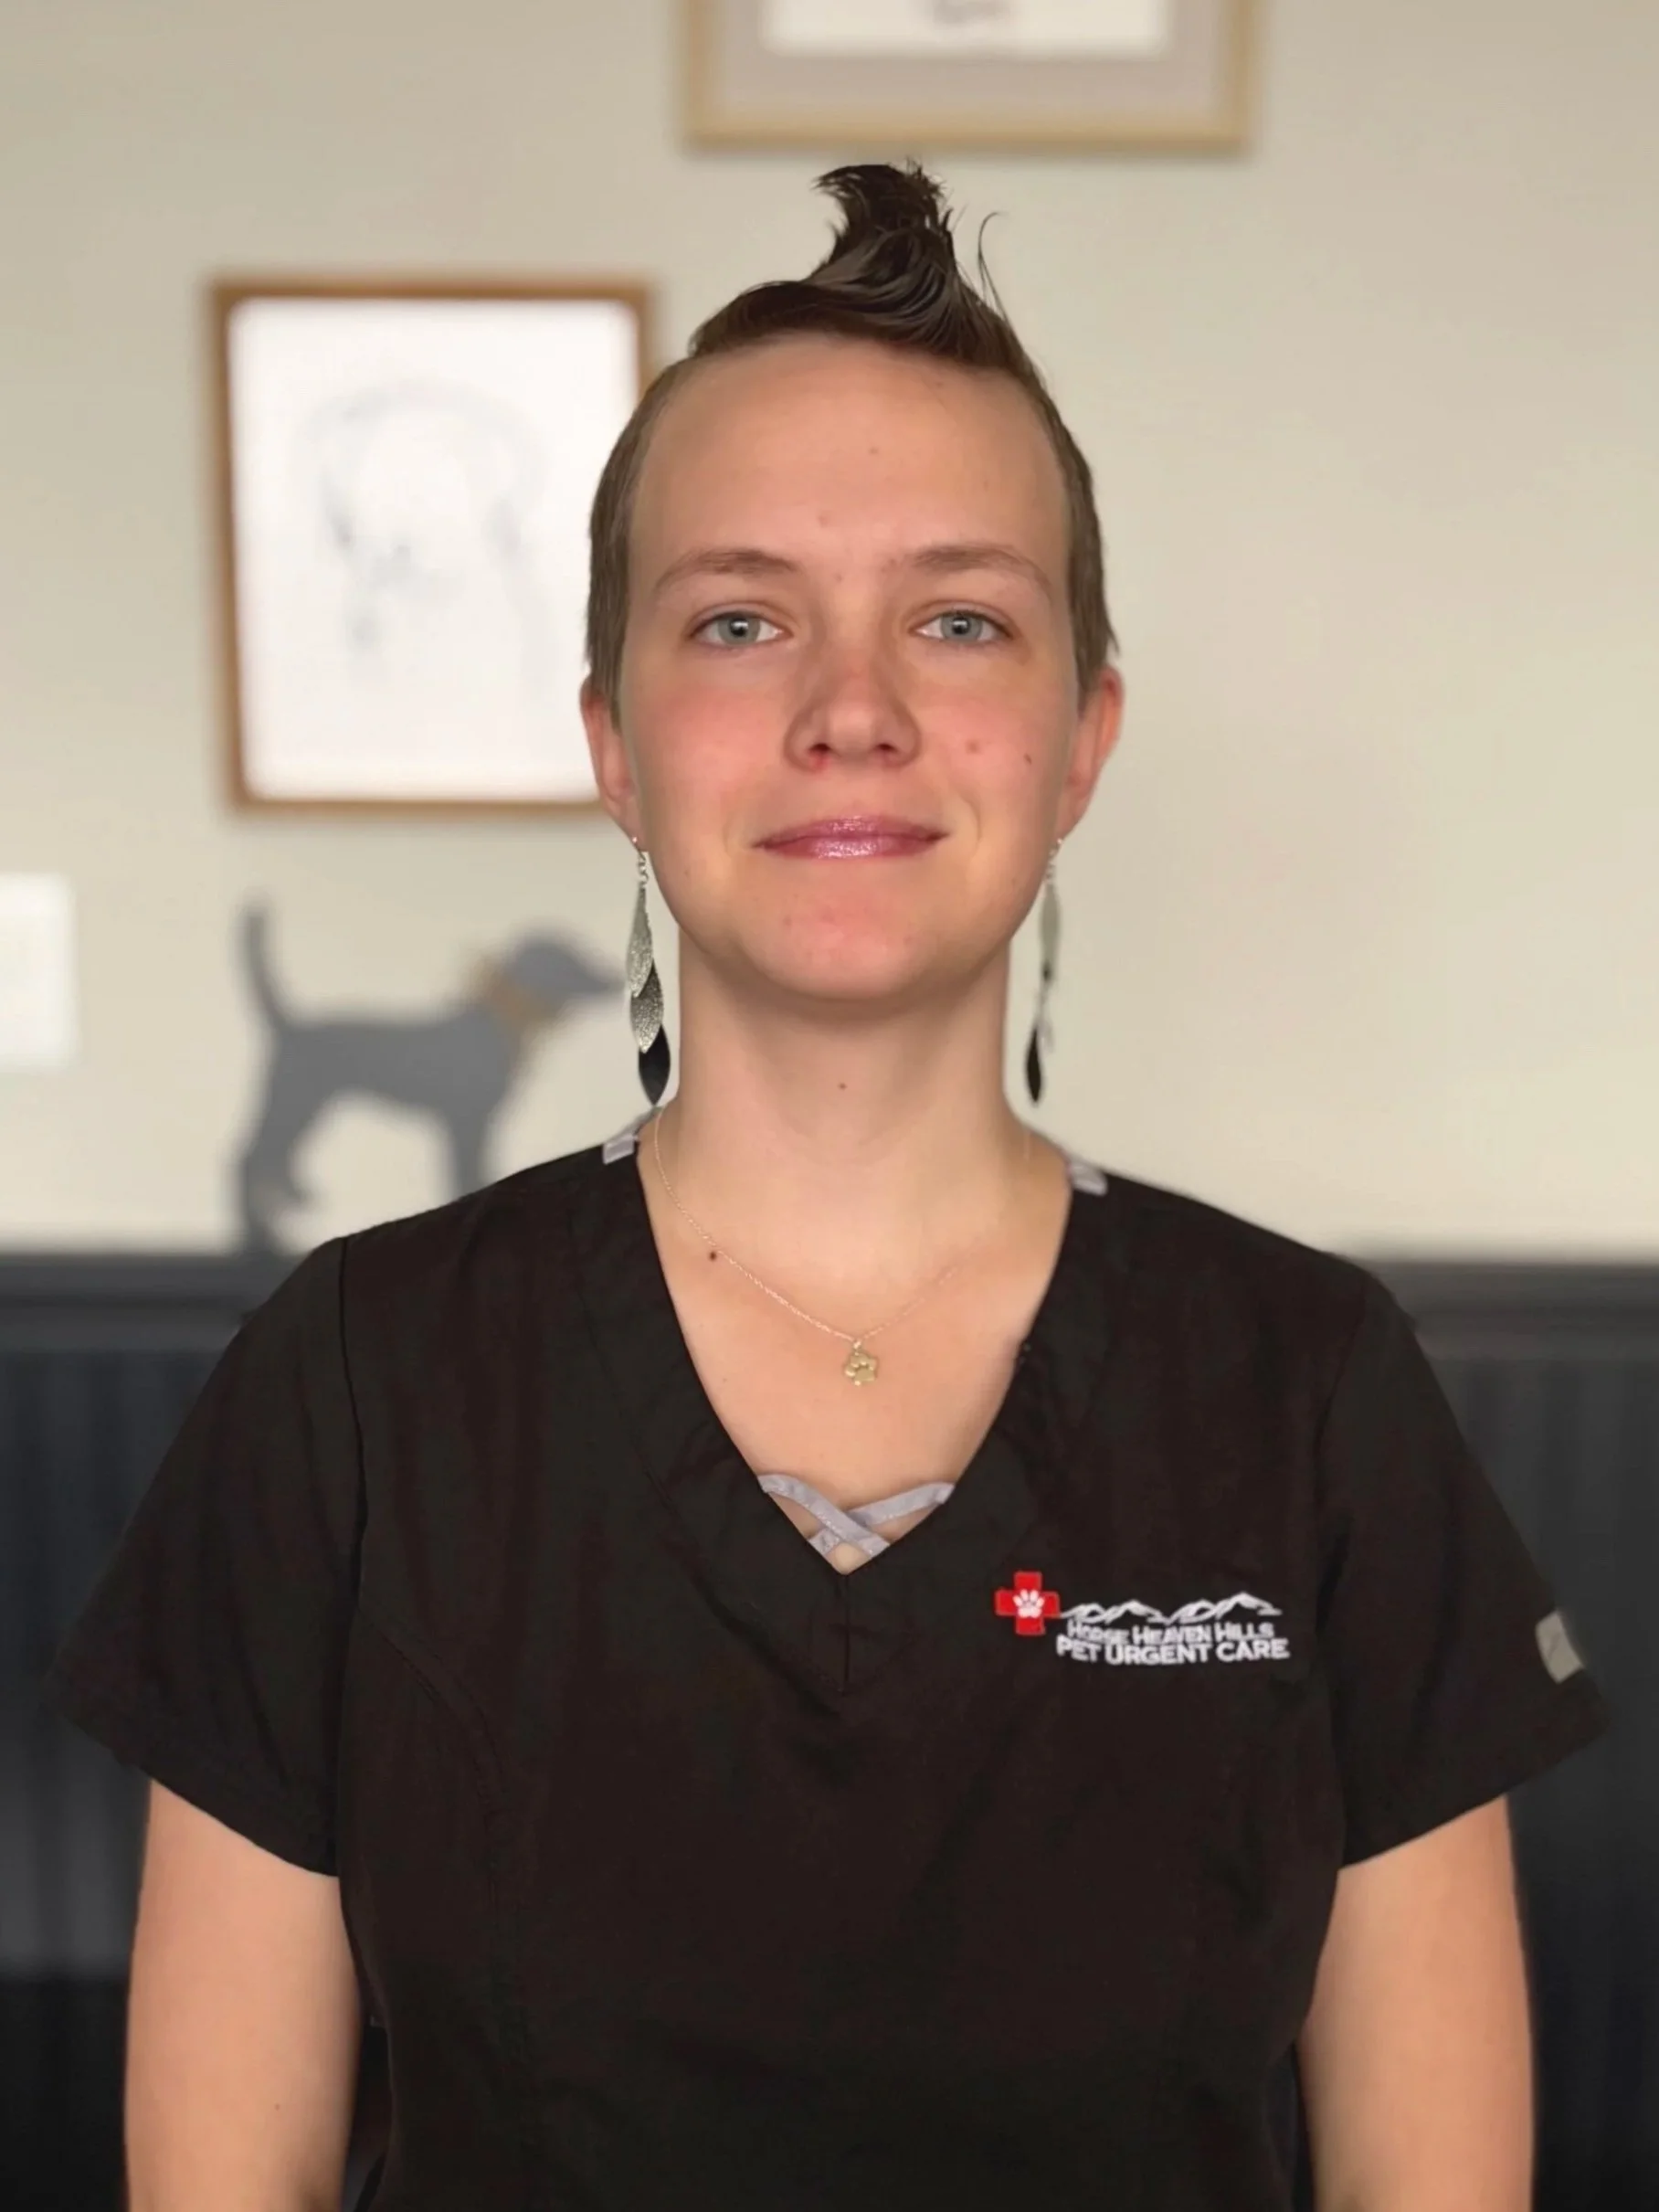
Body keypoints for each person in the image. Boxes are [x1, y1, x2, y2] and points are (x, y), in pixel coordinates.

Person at [42, 163, 1611, 2211]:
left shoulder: (1308, 1384)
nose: (850, 710)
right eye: (738, 619)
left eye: (958, 620)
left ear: (1078, 740)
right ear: (617, 745)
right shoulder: (352, 1377)